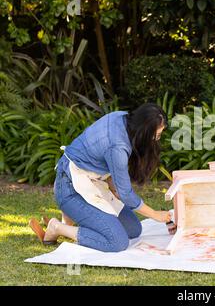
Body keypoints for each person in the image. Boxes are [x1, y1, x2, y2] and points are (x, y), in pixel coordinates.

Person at [29, 103, 175, 252]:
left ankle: (71, 217)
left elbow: (99, 157)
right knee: (117, 242)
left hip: (92, 181)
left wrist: (113, 187)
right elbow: (125, 194)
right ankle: (57, 227)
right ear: (143, 132)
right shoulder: (118, 148)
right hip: (70, 187)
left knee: (133, 229)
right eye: (156, 135)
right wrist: (156, 215)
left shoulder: (122, 117)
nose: (157, 140)